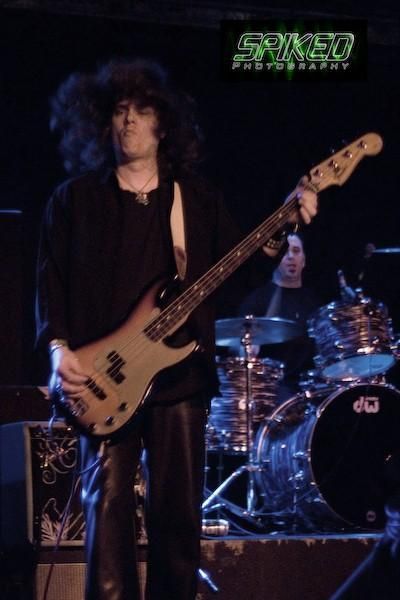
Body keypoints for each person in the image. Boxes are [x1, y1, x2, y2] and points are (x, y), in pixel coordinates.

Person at [35, 58, 318, 600]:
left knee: (178, 519)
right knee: (107, 510)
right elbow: (50, 282)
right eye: (119, 111)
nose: (129, 122)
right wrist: (56, 348)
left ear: (163, 124)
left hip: (181, 377)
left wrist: (282, 226)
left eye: (141, 111)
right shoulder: (74, 199)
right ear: (102, 121)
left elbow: (239, 271)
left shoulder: (195, 197)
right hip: (103, 378)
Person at [238, 232, 320, 395]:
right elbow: (238, 345)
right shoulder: (256, 301)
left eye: (296, 251)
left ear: (303, 260)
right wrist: (248, 349)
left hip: (309, 388)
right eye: (285, 252)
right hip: (269, 389)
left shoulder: (314, 303)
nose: (290, 257)